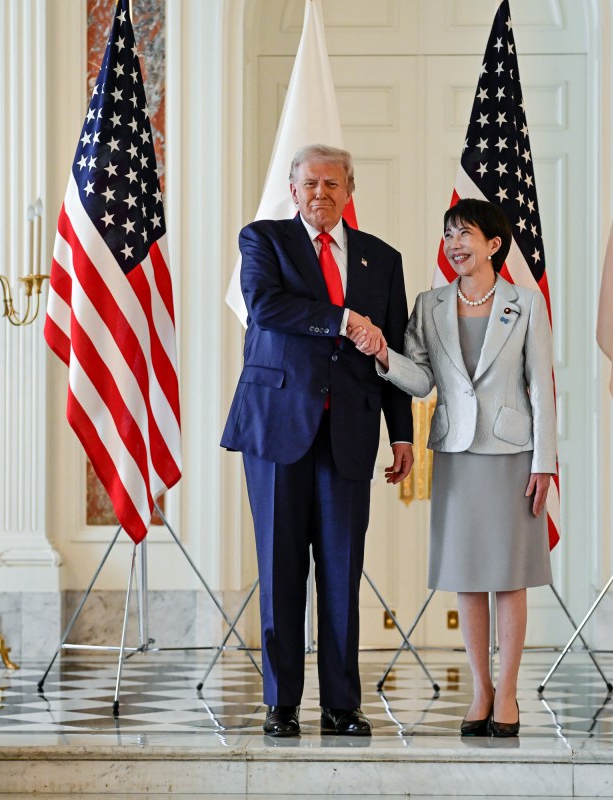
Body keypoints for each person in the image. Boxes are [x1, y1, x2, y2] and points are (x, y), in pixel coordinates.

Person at [221, 144, 414, 737]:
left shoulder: (382, 259)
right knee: (280, 572)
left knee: (340, 573)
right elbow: (265, 305)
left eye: (333, 184)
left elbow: (393, 351)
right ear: (293, 186)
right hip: (278, 429)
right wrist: (344, 320)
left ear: (350, 190)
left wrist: (401, 434)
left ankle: (341, 704)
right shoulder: (264, 239)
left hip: (350, 432)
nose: (321, 194)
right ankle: (281, 705)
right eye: (311, 183)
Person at [351, 198, 556, 737]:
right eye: (448, 234)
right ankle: (481, 691)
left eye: (465, 234)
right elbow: (421, 381)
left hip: (513, 456)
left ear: (493, 243)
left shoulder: (525, 303)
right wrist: (381, 353)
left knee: (510, 580)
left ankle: (508, 694)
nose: (455, 244)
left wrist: (545, 462)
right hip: (457, 456)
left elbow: (541, 388)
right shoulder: (429, 305)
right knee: (468, 579)